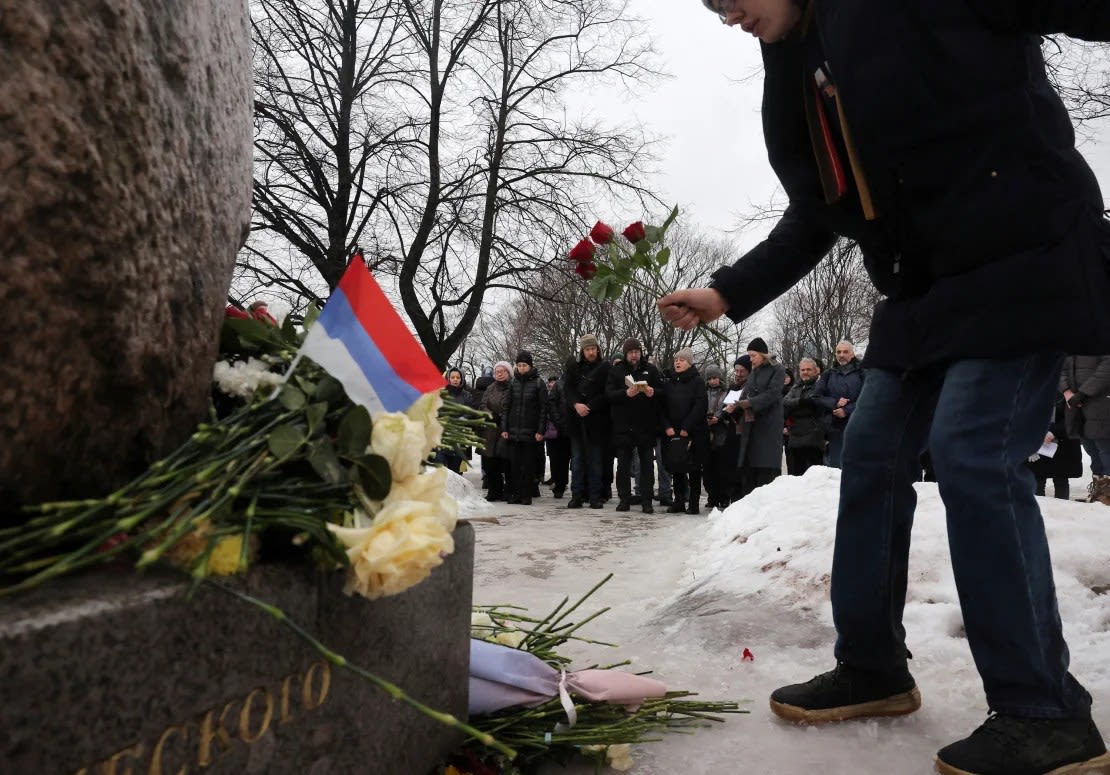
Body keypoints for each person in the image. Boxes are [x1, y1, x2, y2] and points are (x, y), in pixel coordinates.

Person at [658, 1, 1110, 772]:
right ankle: (871, 664)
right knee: (867, 457)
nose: (724, 10)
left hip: (1021, 253)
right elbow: (817, 212)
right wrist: (728, 293)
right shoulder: (796, 71)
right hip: (921, 290)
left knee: (971, 452)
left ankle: (1046, 709)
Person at [606, 338, 662, 514]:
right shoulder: (617, 371)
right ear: (625, 354)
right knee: (623, 466)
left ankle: (647, 500)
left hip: (646, 425)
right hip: (624, 426)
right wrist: (625, 393)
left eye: (637, 352)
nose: (634, 355)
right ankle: (624, 499)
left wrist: (653, 392)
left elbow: (662, 392)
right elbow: (608, 394)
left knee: (646, 466)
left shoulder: (651, 370)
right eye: (631, 352)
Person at [563, 335, 611, 509]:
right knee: (577, 460)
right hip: (577, 421)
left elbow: (606, 392)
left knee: (595, 460)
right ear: (582, 351)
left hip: (596, 421)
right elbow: (568, 389)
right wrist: (576, 404)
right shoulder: (574, 368)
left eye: (593, 348)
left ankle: (595, 496)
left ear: (597, 349)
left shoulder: (604, 368)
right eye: (587, 349)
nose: (591, 352)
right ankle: (577, 495)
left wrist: (589, 406)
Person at [733, 338, 785, 495]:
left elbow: (773, 393)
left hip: (769, 424)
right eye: (749, 356)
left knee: (766, 467)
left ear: (763, 354)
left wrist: (750, 403)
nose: (750, 359)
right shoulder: (754, 371)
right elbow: (747, 391)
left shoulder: (778, 369)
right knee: (751, 468)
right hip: (752, 424)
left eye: (753, 355)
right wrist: (736, 404)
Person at [661, 348, 709, 514]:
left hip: (693, 432)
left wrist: (686, 427)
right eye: (676, 360)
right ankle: (679, 500)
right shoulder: (669, 382)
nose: (678, 362)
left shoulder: (697, 382)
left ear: (690, 362)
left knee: (694, 468)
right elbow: (662, 407)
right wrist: (667, 426)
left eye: (682, 360)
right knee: (677, 467)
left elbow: (700, 406)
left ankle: (693, 503)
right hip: (673, 432)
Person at [1060, 355, 1110, 504]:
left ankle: (1107, 494)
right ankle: (1099, 492)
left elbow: (1106, 369)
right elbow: (1058, 368)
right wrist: (1067, 391)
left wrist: (1083, 394)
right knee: (1090, 448)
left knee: (1105, 448)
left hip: (1101, 402)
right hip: (1075, 406)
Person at [814, 341, 864, 468]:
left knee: (856, 468)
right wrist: (835, 403)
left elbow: (869, 398)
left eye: (845, 352)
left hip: (859, 426)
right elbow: (815, 397)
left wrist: (847, 410)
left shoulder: (862, 373)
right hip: (835, 428)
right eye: (839, 352)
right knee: (836, 471)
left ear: (852, 354)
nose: (841, 355)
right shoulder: (828, 374)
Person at [783, 357, 826, 476]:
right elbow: (785, 403)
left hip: (814, 436)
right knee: (797, 477)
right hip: (795, 437)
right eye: (802, 370)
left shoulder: (821, 385)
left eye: (808, 369)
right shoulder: (796, 386)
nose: (805, 372)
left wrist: (796, 406)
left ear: (816, 371)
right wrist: (802, 402)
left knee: (814, 477)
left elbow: (815, 404)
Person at [479, 362, 513, 502]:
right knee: (490, 463)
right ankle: (494, 490)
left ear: (508, 373)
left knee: (506, 463)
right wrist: (491, 415)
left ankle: (508, 490)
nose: (499, 373)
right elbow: (482, 404)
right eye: (497, 371)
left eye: (503, 371)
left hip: (507, 429)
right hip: (491, 430)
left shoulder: (513, 387)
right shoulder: (490, 388)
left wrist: (504, 417)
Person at [704, 365, 731, 508]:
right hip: (707, 434)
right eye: (709, 379)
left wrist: (719, 418)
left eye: (714, 378)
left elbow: (728, 410)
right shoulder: (703, 393)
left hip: (722, 433)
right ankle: (712, 497)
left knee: (722, 469)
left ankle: (724, 497)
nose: (712, 381)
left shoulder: (726, 393)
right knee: (708, 470)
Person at [545, 375, 571, 499]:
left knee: (564, 459)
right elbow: (550, 406)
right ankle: (557, 483)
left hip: (567, 428)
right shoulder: (557, 387)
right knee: (556, 459)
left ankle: (561, 483)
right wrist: (557, 421)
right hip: (553, 430)